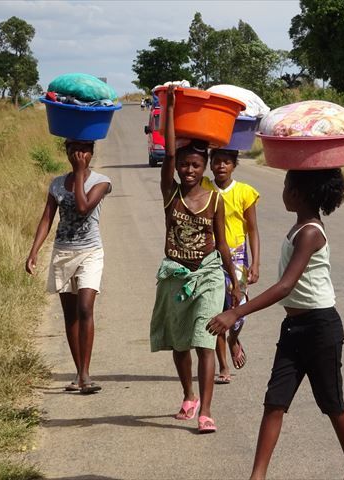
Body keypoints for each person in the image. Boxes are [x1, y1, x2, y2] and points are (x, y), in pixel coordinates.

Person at [208, 169, 344, 480]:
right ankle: (257, 476)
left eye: (286, 186)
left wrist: (235, 313)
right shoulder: (299, 227)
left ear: (299, 193)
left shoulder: (310, 232)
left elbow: (285, 286)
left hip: (321, 328)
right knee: (275, 402)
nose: (283, 191)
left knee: (332, 403)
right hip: (294, 328)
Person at [150, 85, 241, 433]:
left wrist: (234, 280)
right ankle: (188, 395)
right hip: (175, 275)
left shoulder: (215, 200)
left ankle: (205, 411)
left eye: (195, 165)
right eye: (184, 165)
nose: (188, 170)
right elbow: (169, 156)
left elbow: (221, 244)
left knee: (205, 341)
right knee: (179, 342)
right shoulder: (169, 193)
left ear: (204, 168)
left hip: (207, 275)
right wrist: (171, 108)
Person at [26, 139, 111, 394]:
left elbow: (84, 207)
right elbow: (47, 218)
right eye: (73, 149)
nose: (79, 153)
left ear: (92, 152)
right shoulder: (56, 184)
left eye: (84, 149)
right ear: (66, 152)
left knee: (86, 308)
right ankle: (79, 373)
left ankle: (85, 374)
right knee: (71, 315)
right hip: (63, 253)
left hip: (90, 252)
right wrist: (34, 251)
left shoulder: (101, 182)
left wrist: (79, 173)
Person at [202, 148, 260, 384]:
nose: (221, 166)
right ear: (210, 165)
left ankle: (234, 339)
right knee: (216, 311)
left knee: (238, 311)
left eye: (226, 162)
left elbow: (253, 229)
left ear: (234, 165)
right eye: (216, 162)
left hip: (237, 257)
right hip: (210, 256)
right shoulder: (205, 187)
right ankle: (223, 367)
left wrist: (255, 262)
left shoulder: (245, 192)